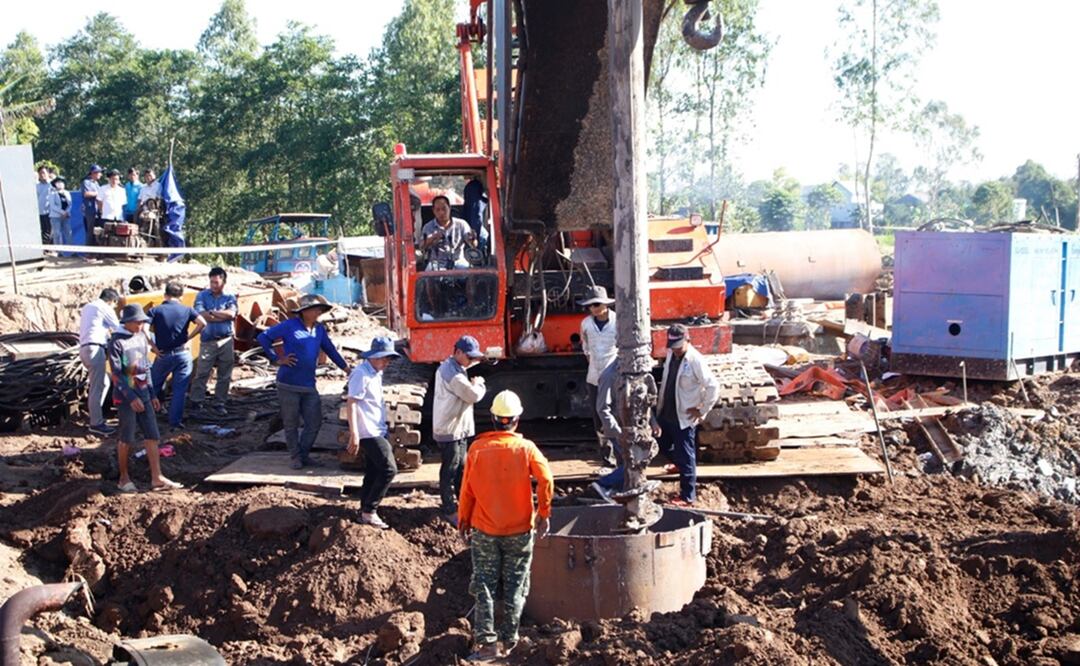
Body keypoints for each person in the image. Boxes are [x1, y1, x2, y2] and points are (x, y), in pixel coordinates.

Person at [458, 390, 553, 661]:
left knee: (484, 586)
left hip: (485, 531)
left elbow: (467, 491)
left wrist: (463, 520)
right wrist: (543, 513)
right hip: (520, 530)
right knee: (516, 585)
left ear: (493, 419)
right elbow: (546, 479)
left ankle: (487, 645)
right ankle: (509, 642)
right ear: (516, 420)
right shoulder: (526, 449)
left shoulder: (477, 449)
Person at [257, 294, 349, 470]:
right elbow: (264, 337)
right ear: (304, 312)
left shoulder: (319, 329)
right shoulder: (290, 326)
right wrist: (277, 359)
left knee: (314, 422)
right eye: (315, 309)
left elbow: (330, 350)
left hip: (308, 385)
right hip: (288, 384)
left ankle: (304, 453)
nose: (318, 312)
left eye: (320, 309)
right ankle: (295, 457)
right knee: (290, 422)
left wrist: (347, 370)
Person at [108, 304, 183, 492]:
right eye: (137, 322)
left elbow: (145, 367)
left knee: (152, 435)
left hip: (143, 392)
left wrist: (151, 393)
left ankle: (157, 477)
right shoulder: (117, 342)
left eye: (142, 322)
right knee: (127, 437)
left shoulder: (141, 338)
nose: (141, 325)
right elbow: (117, 375)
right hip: (126, 397)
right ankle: (123, 478)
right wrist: (131, 397)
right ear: (128, 322)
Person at [654, 323, 721, 507]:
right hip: (667, 411)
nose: (675, 351)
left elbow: (713, 386)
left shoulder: (695, 360)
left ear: (688, 341)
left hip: (683, 416)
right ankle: (679, 464)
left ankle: (687, 496)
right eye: (673, 347)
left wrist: (702, 410)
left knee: (686, 454)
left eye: (678, 347)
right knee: (660, 443)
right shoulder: (671, 355)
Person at [345, 336, 400, 529]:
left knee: (374, 470)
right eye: (384, 358)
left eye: (389, 359)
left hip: (378, 428)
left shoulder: (375, 372)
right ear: (374, 356)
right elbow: (351, 402)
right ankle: (370, 510)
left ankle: (364, 510)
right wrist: (354, 433)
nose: (387, 363)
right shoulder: (361, 374)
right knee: (389, 469)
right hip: (368, 431)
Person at [433, 335, 487, 523]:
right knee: (451, 468)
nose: (471, 361)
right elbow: (472, 395)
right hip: (451, 429)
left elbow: (464, 367)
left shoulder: (453, 366)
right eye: (469, 357)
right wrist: (479, 383)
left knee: (461, 469)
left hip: (457, 428)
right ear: (458, 352)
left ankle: (462, 503)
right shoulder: (453, 374)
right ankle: (449, 508)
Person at [149, 282, 206, 431]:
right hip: (182, 354)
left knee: (152, 386)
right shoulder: (187, 310)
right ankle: (175, 422)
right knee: (179, 391)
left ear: (165, 295)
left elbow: (141, 328)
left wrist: (153, 347)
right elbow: (202, 323)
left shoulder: (156, 310)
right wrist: (190, 338)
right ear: (181, 296)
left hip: (163, 355)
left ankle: (146, 419)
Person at [578, 285, 618, 466]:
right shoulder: (586, 324)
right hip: (594, 376)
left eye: (596, 304)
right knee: (598, 418)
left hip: (614, 377)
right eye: (590, 306)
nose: (593, 309)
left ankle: (620, 455)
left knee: (616, 415)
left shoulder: (618, 322)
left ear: (605, 305)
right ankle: (606, 458)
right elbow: (585, 347)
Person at [190, 267, 238, 416]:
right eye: (211, 282)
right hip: (208, 341)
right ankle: (197, 402)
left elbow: (231, 314)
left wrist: (211, 313)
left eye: (216, 282)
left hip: (226, 341)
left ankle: (220, 402)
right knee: (202, 372)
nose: (213, 285)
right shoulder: (202, 296)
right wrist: (219, 315)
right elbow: (200, 314)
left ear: (224, 282)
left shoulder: (230, 297)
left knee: (224, 374)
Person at [79, 289, 122, 436]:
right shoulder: (104, 307)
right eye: (115, 305)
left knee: (104, 382)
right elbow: (118, 328)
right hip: (95, 349)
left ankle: (96, 415)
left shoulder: (88, 307)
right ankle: (96, 424)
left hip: (85, 349)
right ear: (112, 301)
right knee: (97, 387)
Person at [420, 195, 476, 270]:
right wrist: (433, 238)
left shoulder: (462, 224)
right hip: (436, 263)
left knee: (470, 273)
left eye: (444, 209)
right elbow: (421, 246)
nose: (441, 212)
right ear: (433, 211)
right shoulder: (428, 227)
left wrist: (472, 239)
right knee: (428, 275)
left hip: (458, 261)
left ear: (449, 208)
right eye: (438, 210)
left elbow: (473, 245)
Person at [46, 177, 73, 246]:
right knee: (57, 233)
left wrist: (66, 212)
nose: (60, 184)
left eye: (62, 182)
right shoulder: (52, 193)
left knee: (68, 233)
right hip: (55, 216)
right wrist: (62, 212)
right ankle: (57, 251)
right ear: (55, 184)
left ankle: (72, 251)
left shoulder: (67, 193)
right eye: (58, 182)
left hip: (66, 216)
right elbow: (53, 206)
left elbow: (70, 204)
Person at [81, 165, 103, 245]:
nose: (101, 174)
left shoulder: (96, 183)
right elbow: (86, 194)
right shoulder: (86, 182)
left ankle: (95, 252)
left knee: (97, 232)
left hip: (97, 211)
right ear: (94, 173)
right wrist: (98, 194)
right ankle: (89, 253)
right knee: (90, 231)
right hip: (90, 211)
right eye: (99, 172)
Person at [36, 165, 54, 244]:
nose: (42, 175)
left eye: (43, 172)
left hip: (51, 212)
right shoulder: (37, 186)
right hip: (41, 211)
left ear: (48, 173)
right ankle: (46, 248)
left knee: (51, 230)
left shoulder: (52, 185)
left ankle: (52, 247)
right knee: (44, 230)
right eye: (40, 173)